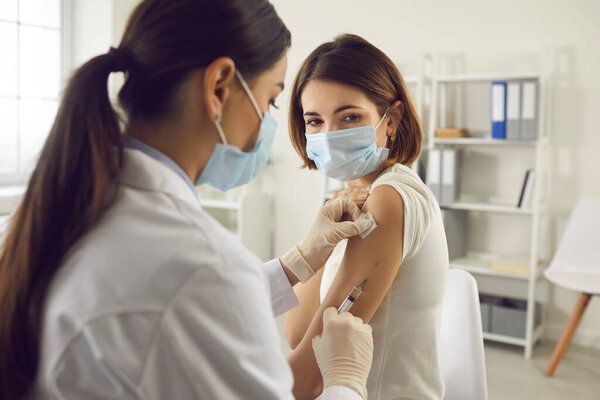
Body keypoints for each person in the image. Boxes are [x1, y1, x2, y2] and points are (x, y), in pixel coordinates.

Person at [0, 2, 375, 399]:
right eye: (270, 101)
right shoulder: (203, 268)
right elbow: (193, 297)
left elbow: (165, 307)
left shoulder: (44, 216)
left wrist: (296, 262)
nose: (265, 125)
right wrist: (345, 380)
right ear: (218, 87)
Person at [284, 34, 449, 399]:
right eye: (314, 121)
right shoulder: (346, 203)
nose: (329, 135)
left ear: (391, 120)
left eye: (349, 117)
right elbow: (296, 333)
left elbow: (308, 379)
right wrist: (315, 250)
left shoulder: (389, 198)